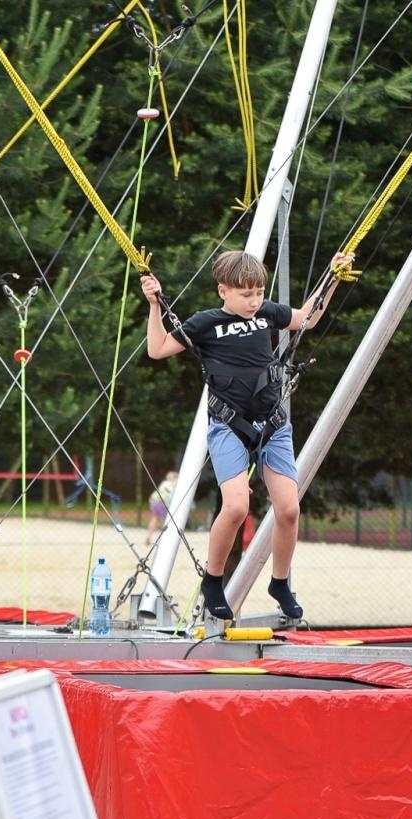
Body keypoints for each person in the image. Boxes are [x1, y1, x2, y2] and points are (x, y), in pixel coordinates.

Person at [141, 249, 353, 620]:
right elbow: (157, 349)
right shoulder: (205, 323)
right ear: (223, 291)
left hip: (273, 424)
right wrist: (154, 305)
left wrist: (332, 278)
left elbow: (307, 317)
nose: (254, 301)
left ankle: (280, 582)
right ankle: (213, 580)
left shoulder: (267, 313)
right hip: (229, 426)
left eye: (258, 293)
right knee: (237, 506)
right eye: (246, 295)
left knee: (289, 509)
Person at [145, 469, 178, 546]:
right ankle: (166, 540)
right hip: (164, 503)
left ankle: (148, 536)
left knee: (155, 518)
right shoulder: (175, 484)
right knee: (167, 522)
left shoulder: (164, 483)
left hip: (154, 501)